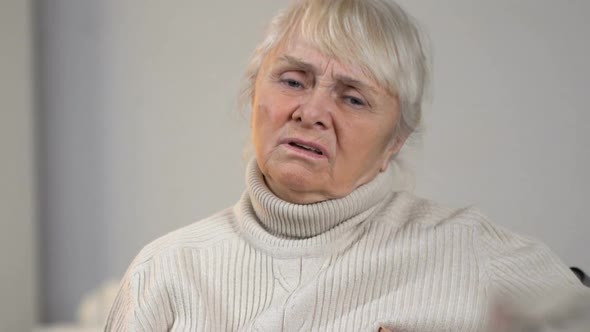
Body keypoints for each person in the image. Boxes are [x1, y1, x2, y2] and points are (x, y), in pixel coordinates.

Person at [105, 0, 589, 331]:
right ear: (255, 92)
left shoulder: (469, 250)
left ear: (394, 143)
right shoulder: (165, 269)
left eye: (353, 98)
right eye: (293, 81)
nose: (311, 111)